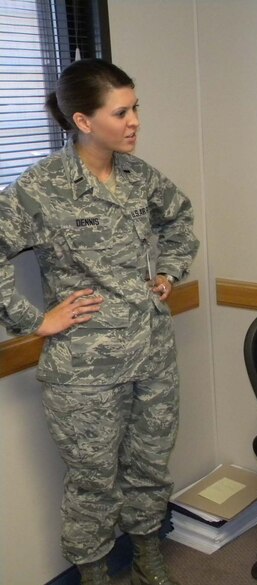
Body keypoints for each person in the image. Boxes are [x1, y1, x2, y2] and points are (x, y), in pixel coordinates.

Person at [0, 59, 199, 585]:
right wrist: (34, 320)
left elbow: (180, 219)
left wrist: (170, 274)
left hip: (153, 355)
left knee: (151, 467)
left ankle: (148, 557)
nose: (134, 121)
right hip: (84, 371)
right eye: (122, 111)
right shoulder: (42, 187)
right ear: (84, 121)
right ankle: (93, 573)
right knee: (93, 482)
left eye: (136, 108)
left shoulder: (138, 176)